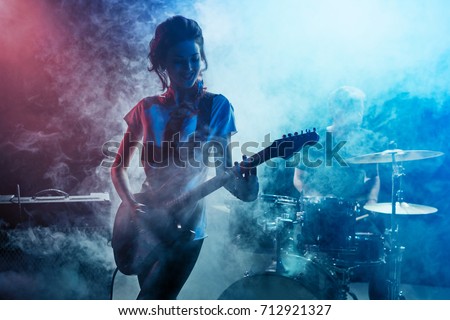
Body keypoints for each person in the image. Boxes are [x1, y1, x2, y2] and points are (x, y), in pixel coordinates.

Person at [110, 15, 258, 300]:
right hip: (146, 221)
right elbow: (117, 168)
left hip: (187, 227)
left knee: (150, 303)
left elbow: (227, 174)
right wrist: (131, 205)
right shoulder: (146, 108)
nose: (189, 67)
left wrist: (250, 182)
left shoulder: (216, 106)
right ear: (163, 62)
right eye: (179, 61)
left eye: (195, 58)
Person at [293, 86, 389, 299]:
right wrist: (314, 197)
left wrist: (372, 200)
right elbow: (298, 178)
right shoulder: (316, 139)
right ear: (336, 110)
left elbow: (374, 177)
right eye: (355, 107)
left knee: (386, 252)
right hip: (321, 214)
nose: (361, 113)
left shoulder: (367, 140)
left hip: (356, 213)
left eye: (361, 107)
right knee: (316, 269)